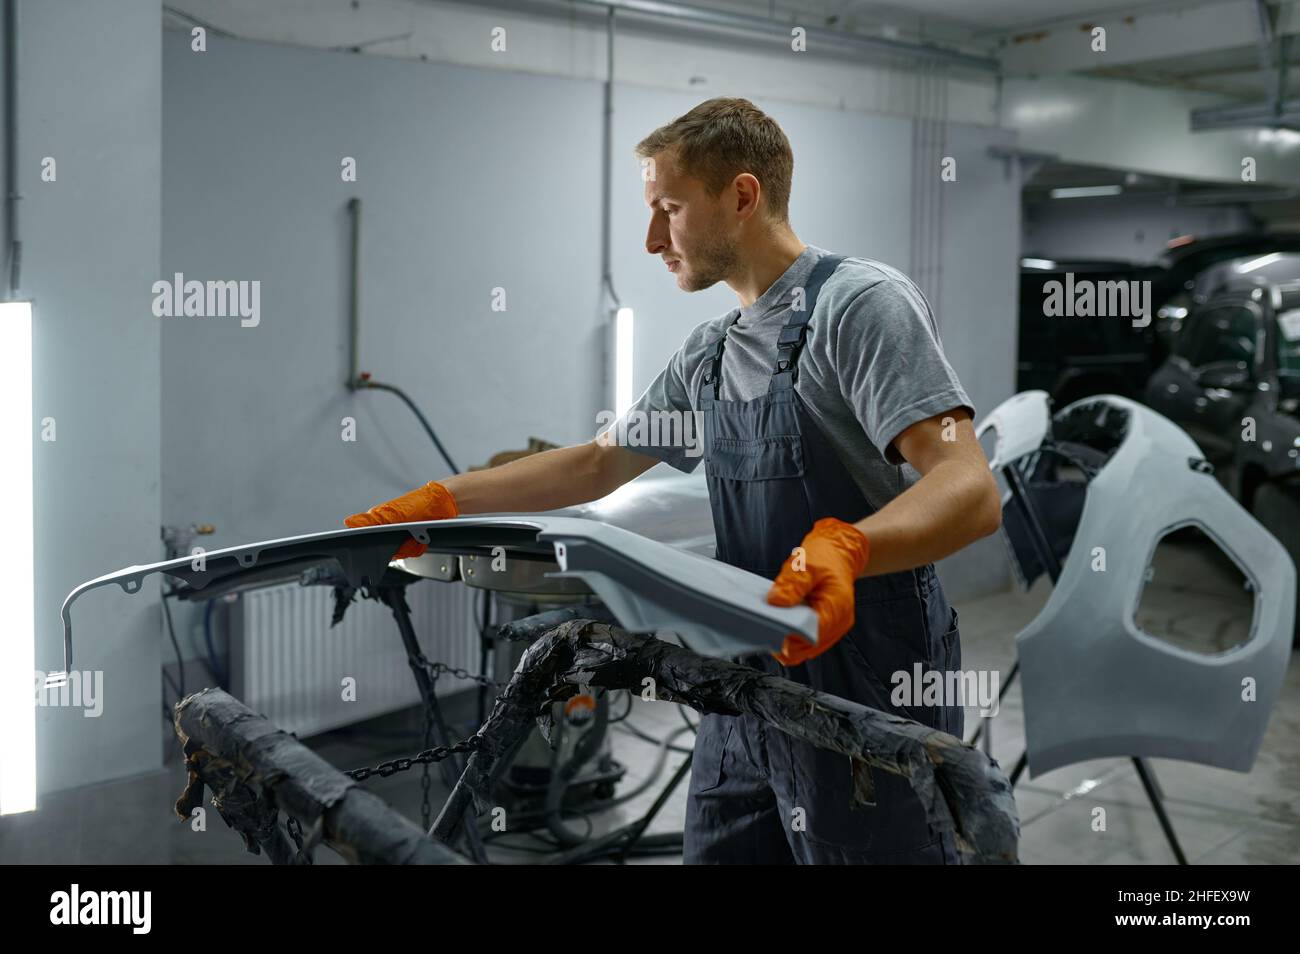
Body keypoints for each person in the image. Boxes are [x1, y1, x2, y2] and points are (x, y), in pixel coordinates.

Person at [346, 97, 1001, 864]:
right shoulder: (712, 351)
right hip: (746, 676)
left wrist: (851, 549)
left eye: (669, 208)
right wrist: (447, 499)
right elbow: (597, 464)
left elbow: (970, 486)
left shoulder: (859, 307)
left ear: (743, 197)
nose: (652, 239)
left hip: (871, 669)